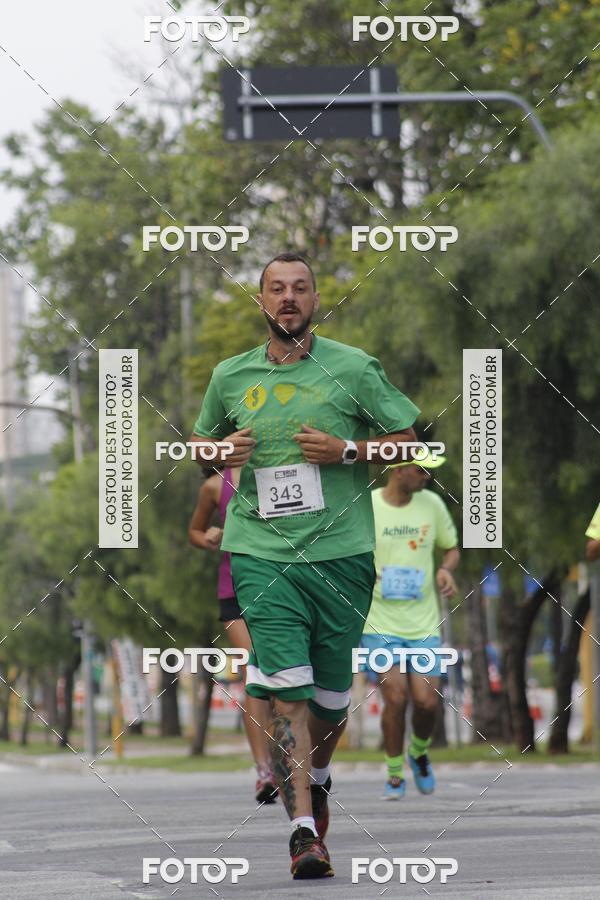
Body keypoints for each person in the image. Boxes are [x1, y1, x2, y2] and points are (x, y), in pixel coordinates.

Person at [189, 251, 419, 879]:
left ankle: (315, 779)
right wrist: (217, 450)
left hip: (342, 554)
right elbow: (201, 453)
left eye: (299, 288)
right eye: (275, 289)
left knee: (329, 697)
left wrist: (350, 449)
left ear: (316, 300)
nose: (288, 298)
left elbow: (415, 439)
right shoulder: (230, 376)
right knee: (287, 688)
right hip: (261, 554)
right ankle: (301, 832)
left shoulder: (352, 367)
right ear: (260, 300)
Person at [361, 452, 459, 800]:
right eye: (421, 470)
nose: (427, 477)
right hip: (378, 622)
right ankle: (393, 772)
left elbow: (451, 548)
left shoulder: (431, 505)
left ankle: (417, 752)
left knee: (427, 701)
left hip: (422, 624)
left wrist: (445, 569)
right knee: (396, 696)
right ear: (398, 469)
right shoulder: (367, 504)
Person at [188, 465, 278, 804]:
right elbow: (194, 532)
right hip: (235, 591)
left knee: (285, 676)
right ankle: (265, 772)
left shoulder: (284, 471)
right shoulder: (215, 486)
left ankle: (290, 762)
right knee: (258, 669)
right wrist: (208, 536)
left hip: (284, 586)